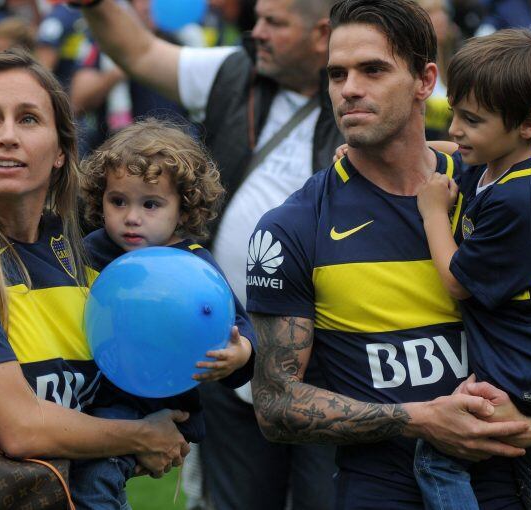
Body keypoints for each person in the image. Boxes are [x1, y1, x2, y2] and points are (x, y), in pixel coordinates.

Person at [247, 0, 531, 507]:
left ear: (425, 80)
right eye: (336, 73)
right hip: (385, 492)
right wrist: (419, 420)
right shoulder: (292, 228)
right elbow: (274, 405)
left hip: (518, 487)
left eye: (373, 69)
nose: (349, 88)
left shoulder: (501, 192)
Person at [76, 0, 343, 507]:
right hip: (210, 360)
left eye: (275, 23)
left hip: (326, 361)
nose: (255, 32)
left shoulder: (359, 92)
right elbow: (139, 50)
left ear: (322, 33)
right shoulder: (234, 71)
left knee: (323, 497)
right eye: (257, 17)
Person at [0, 49, 190, 484]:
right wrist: (139, 437)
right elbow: (20, 428)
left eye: (29, 119)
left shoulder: (85, 252)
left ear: (61, 151)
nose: (7, 136)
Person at [414, 27, 531, 509]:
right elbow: (459, 155)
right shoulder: (513, 161)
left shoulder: (520, 201)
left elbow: (457, 282)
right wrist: (409, 152)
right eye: (454, 113)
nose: (454, 130)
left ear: (529, 123)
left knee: (438, 459)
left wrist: (433, 213)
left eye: (470, 120)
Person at [71, 118, 256, 509]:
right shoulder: (89, 252)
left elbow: (237, 328)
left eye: (150, 204)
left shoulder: (194, 267)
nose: (132, 217)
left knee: (95, 479)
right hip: (88, 397)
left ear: (184, 207)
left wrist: (240, 355)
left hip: (155, 407)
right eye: (118, 201)